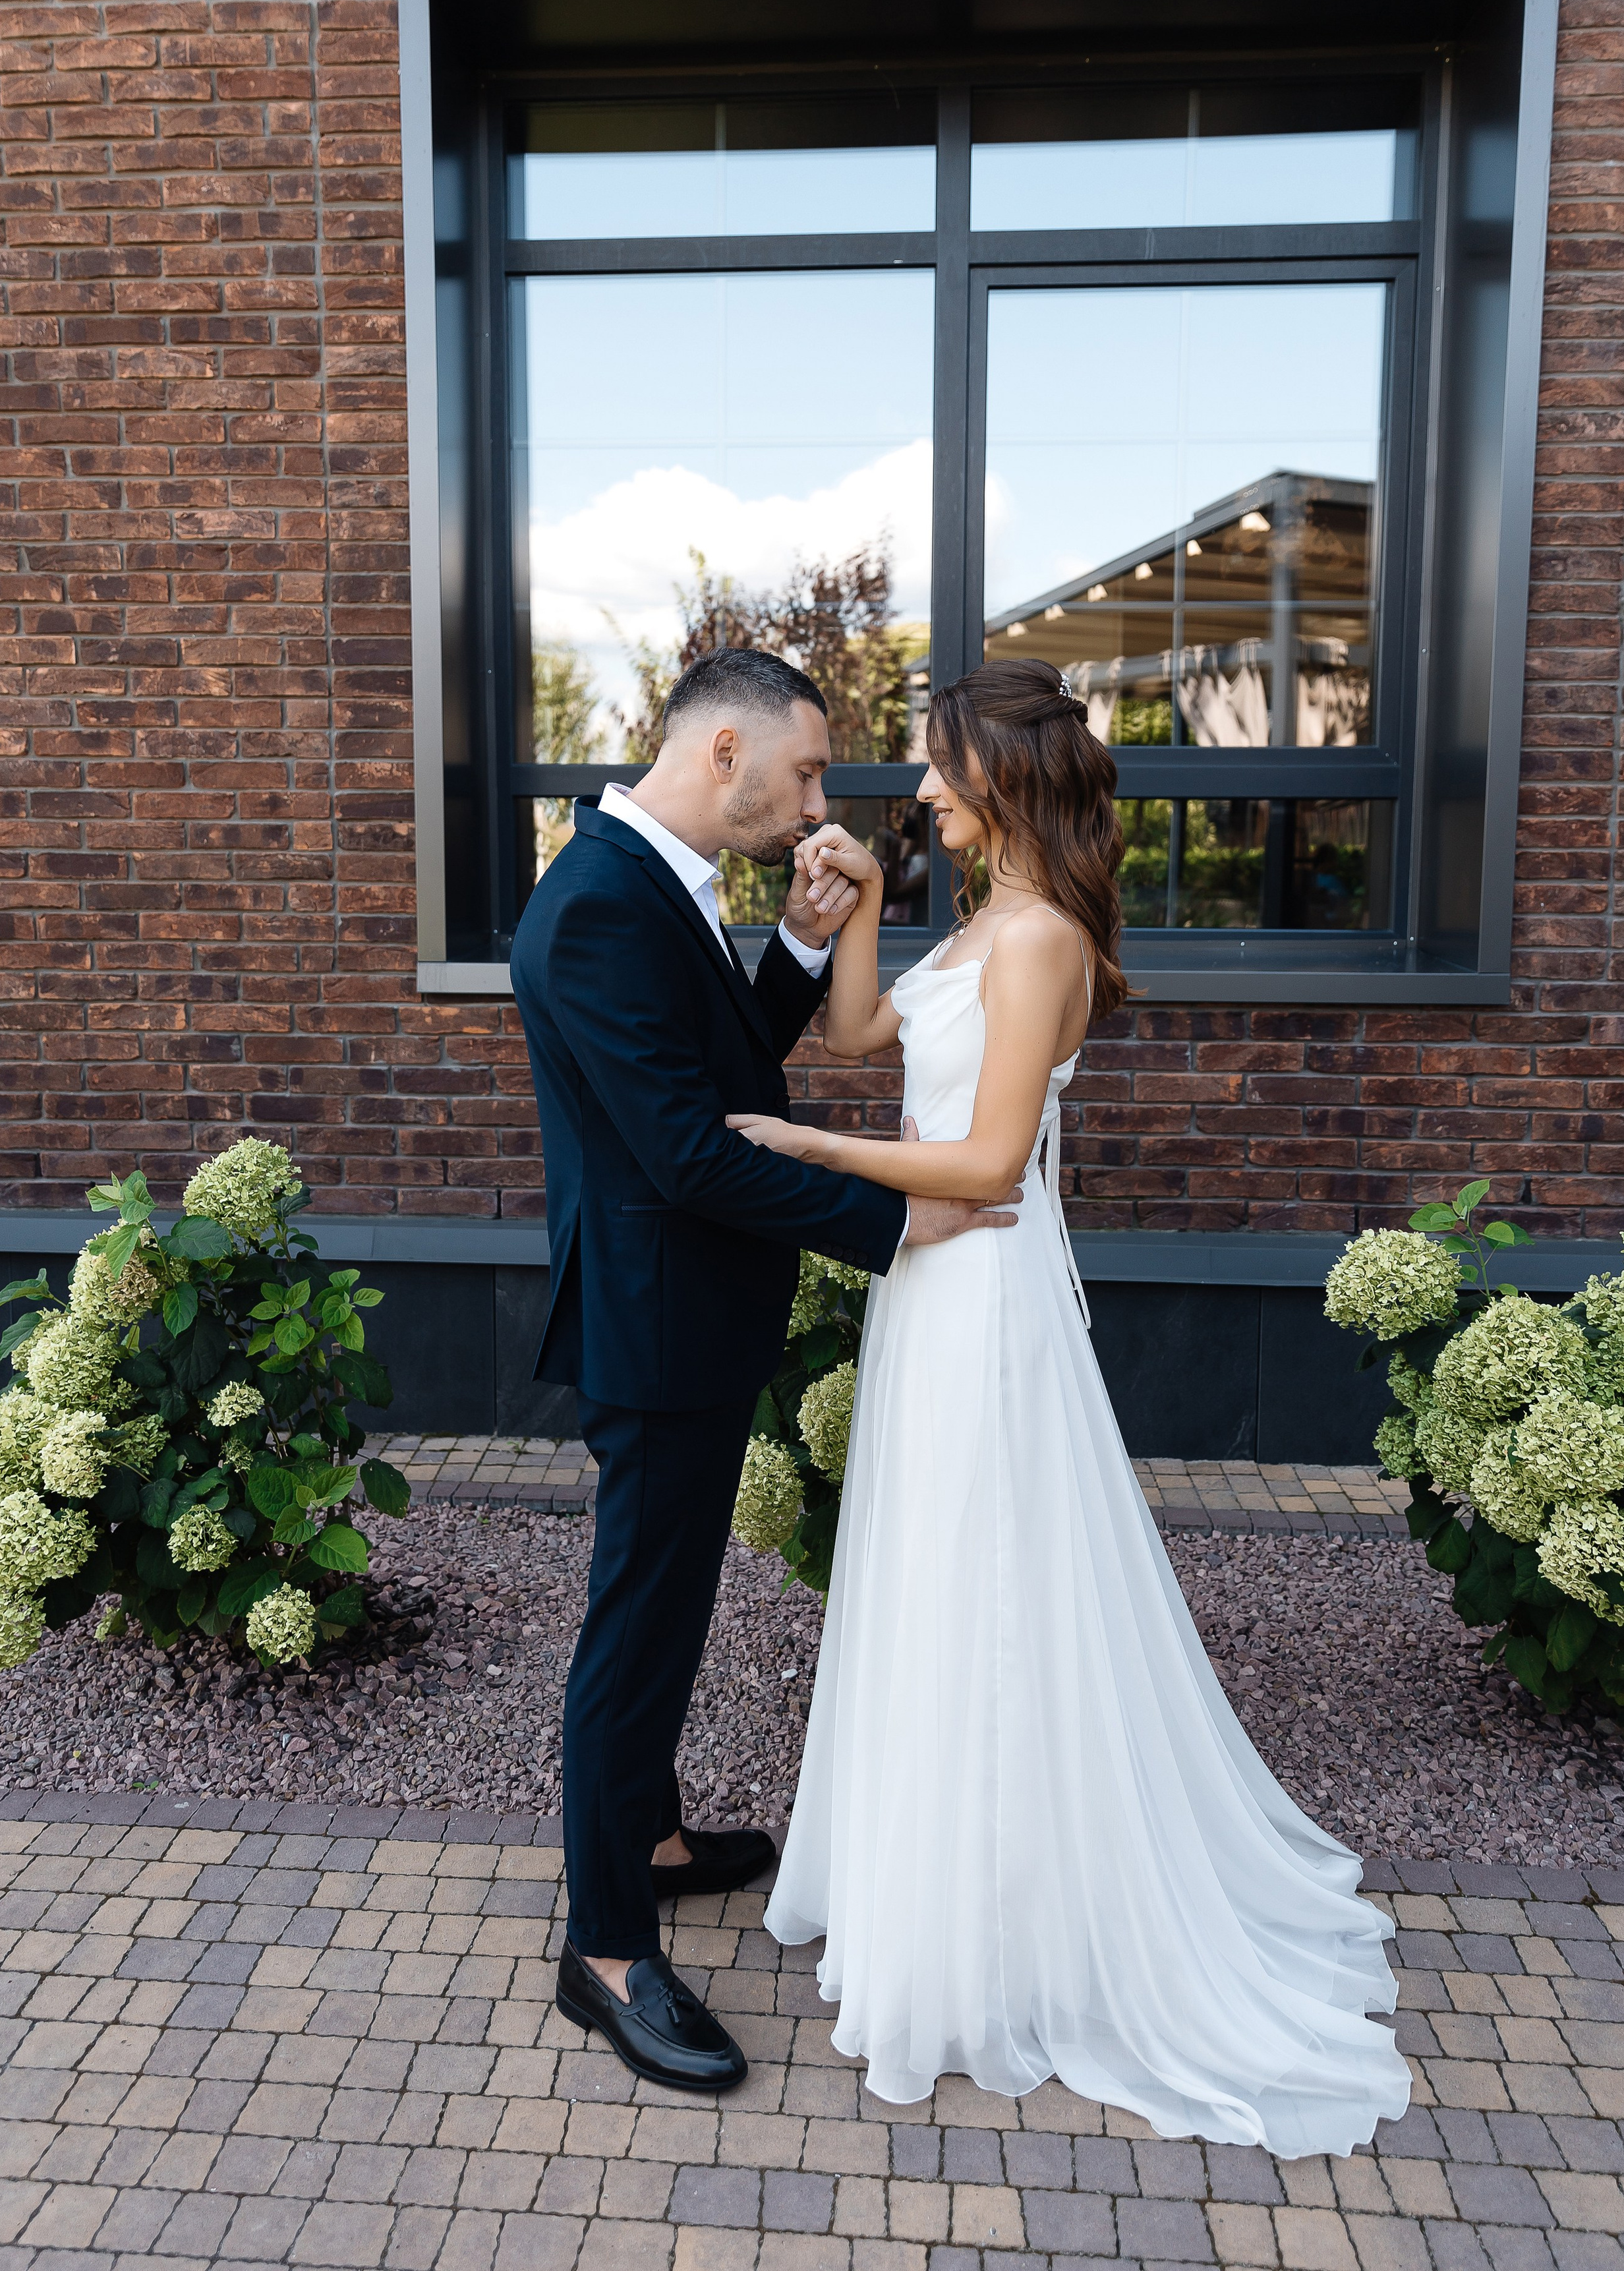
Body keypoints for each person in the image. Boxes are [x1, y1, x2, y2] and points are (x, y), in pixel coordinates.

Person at [727, 658, 1412, 2157]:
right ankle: (932, 1885)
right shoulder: (976, 922)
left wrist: (806, 1153)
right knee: (926, 1575)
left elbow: (980, 1166)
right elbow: (856, 1044)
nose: (912, 791)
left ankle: (1000, 1924)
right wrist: (846, 900)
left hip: (984, 1295)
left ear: (1000, 776)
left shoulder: (1040, 942)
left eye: (930, 773)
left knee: (989, 1590)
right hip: (930, 1295)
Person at [508, 645, 1017, 2096]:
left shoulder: (653, 878)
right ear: (722, 751)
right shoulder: (601, 901)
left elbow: (720, 1073)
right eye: (802, 773)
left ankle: (653, 1840)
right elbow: (682, 1151)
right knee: (637, 1630)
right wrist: (901, 1220)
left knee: (665, 1611)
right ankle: (604, 1950)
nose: (815, 806)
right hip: (656, 1327)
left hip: (687, 1314)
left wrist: (796, 949)